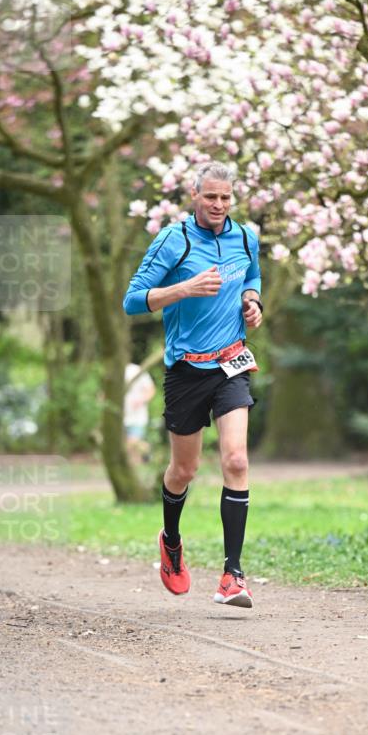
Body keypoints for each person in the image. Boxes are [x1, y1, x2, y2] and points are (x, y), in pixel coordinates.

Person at [122, 161, 263, 608]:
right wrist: (184, 288)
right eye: (211, 197)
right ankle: (172, 541)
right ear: (194, 195)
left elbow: (253, 276)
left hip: (231, 363)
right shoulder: (174, 240)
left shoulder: (245, 237)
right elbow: (132, 300)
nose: (219, 205)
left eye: (226, 197)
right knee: (184, 471)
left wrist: (252, 300)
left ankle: (232, 575)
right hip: (186, 369)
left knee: (237, 460)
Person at [124, 364, 156, 465]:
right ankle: (145, 451)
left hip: (137, 416)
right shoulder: (114, 371)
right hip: (121, 415)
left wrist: (141, 400)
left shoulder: (136, 370)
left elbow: (151, 390)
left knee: (132, 442)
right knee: (125, 443)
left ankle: (145, 452)